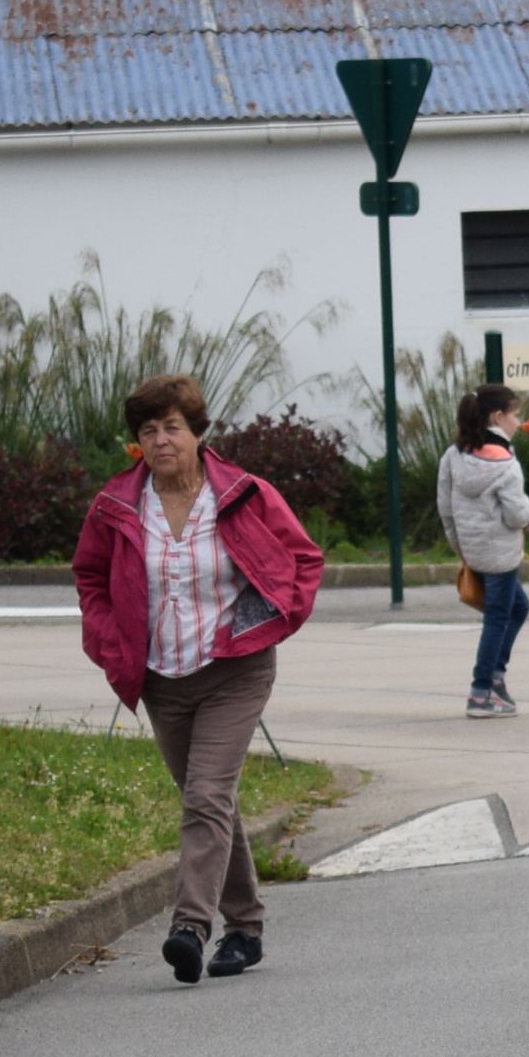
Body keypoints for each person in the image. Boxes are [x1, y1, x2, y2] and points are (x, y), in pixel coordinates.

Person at [71, 372, 326, 986]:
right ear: (137, 441)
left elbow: (303, 559)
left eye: (172, 427)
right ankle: (246, 928)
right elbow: (91, 579)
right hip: (162, 676)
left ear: (197, 432)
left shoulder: (242, 494)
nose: (161, 440)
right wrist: (111, 644)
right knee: (210, 800)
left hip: (235, 669)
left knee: (206, 796)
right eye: (148, 430)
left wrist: (274, 619)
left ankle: (189, 925)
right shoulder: (116, 506)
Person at [436, 382, 529, 716]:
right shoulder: (505, 464)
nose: (518, 422)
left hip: (472, 549)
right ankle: (482, 692)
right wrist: (528, 510)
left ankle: (495, 678)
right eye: (515, 415)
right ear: (497, 417)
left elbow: (445, 507)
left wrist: (460, 545)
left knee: (518, 607)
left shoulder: (454, 455)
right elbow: (518, 516)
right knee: (497, 618)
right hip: (501, 555)